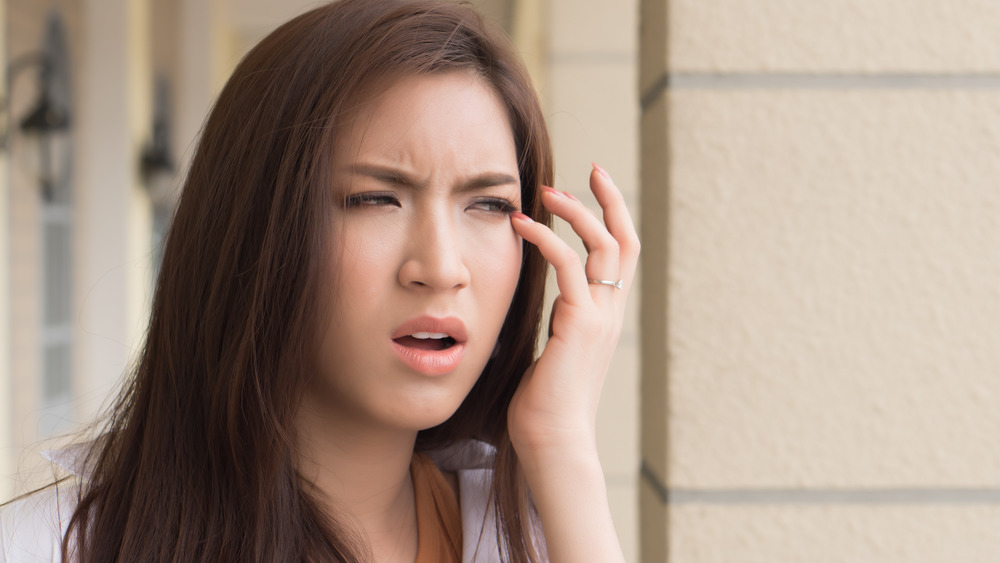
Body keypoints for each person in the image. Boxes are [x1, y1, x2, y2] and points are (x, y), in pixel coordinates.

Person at [0, 0, 639, 561]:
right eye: (374, 199)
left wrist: (562, 441)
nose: (442, 268)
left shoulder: (530, 533)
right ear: (255, 228)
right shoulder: (44, 546)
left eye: (491, 205)